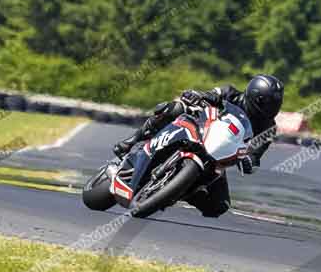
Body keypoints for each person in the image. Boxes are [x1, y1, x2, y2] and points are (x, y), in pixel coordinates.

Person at [113, 74, 284, 218]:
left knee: (219, 206)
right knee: (174, 108)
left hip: (219, 156)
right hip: (199, 130)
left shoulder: (269, 128)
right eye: (268, 102)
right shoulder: (230, 93)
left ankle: (181, 190)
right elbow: (208, 95)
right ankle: (132, 141)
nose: (271, 108)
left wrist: (249, 162)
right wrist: (197, 96)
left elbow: (256, 155)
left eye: (275, 103)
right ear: (254, 96)